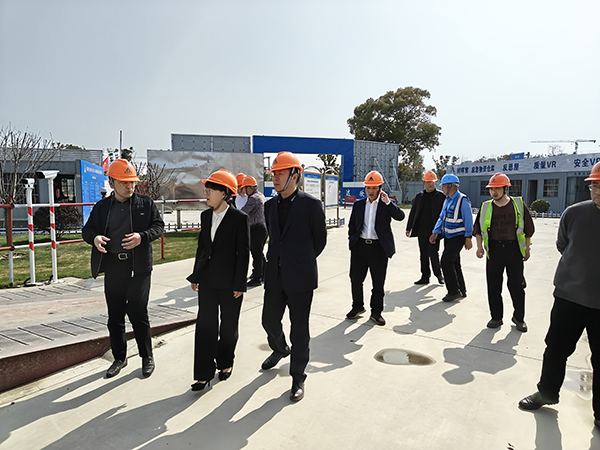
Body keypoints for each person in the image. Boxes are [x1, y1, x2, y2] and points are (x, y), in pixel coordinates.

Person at [519, 161, 600, 427]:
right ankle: (547, 393)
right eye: (594, 185)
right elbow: (563, 245)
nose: (597, 191)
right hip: (568, 296)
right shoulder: (574, 213)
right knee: (555, 349)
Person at [82, 159, 164, 379]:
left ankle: (147, 356)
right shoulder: (102, 207)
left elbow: (158, 226)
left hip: (139, 267)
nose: (130, 186)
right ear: (111, 182)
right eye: (124, 182)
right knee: (115, 314)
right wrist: (95, 238)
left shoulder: (145, 204)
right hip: (114, 266)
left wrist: (142, 237)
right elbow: (87, 231)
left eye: (132, 182)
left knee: (138, 311)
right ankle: (119, 357)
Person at [260, 151, 327, 403]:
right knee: (269, 321)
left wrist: (301, 260)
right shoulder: (269, 206)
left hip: (300, 277)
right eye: (274, 174)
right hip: (275, 275)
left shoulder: (311, 205)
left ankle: (298, 376)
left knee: (299, 329)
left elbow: (319, 241)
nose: (275, 178)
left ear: (295, 175)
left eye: (280, 173)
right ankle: (280, 349)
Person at [186, 169, 250, 391]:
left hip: (231, 283)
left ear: (224, 193)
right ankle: (203, 374)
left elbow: (243, 254)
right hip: (207, 280)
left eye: (210, 190)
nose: (206, 194)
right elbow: (202, 248)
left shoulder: (239, 219)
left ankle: (225, 362)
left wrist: (240, 284)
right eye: (206, 190)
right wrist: (196, 275)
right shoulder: (206, 216)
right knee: (205, 326)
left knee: (228, 326)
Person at [474, 173, 535, 331]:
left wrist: (527, 248)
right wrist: (479, 247)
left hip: (513, 249)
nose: (494, 192)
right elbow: (478, 229)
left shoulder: (518, 204)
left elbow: (528, 229)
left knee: (516, 285)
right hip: (494, 250)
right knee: (493, 285)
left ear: (506, 189)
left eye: (497, 189)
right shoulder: (486, 206)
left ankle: (519, 318)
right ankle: (496, 317)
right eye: (491, 189)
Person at [346, 171, 405, 325]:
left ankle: (376, 312)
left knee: (378, 283)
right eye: (368, 188)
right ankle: (357, 307)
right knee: (356, 279)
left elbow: (400, 216)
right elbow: (352, 225)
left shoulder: (386, 205)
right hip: (360, 247)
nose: (371, 191)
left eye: (374, 188)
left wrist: (388, 202)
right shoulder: (359, 205)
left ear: (380, 188)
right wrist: (352, 242)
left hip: (379, 249)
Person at [430, 173, 473, 302]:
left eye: (443, 186)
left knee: (445, 262)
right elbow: (441, 217)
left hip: (458, 237)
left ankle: (453, 291)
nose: (442, 188)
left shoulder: (462, 200)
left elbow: (468, 220)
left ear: (451, 186)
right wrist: (435, 232)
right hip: (448, 236)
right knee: (455, 263)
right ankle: (462, 290)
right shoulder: (447, 200)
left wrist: (468, 237)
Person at [405, 171, 445, 285]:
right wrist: (408, 228)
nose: (430, 184)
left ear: (435, 182)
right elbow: (413, 212)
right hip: (422, 229)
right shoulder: (419, 197)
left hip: (435, 230)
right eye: (428, 182)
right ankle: (425, 276)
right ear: (424, 183)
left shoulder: (441, 197)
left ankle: (439, 275)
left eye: (432, 182)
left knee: (433, 253)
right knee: (423, 253)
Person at [240, 175, 268, 287]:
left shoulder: (253, 198)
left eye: (244, 188)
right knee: (259, 253)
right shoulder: (260, 195)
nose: (243, 190)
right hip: (262, 228)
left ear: (249, 187)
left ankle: (257, 278)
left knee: (256, 254)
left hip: (256, 229)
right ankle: (264, 274)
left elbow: (243, 212)